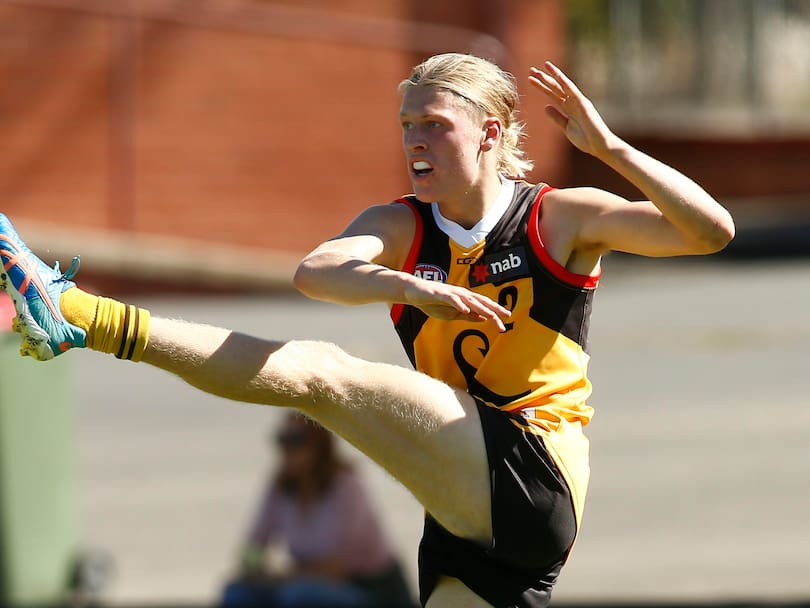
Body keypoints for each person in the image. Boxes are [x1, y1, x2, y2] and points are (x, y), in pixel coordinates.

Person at [0, 53, 734, 608]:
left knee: (322, 375)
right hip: (461, 507)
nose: (415, 141)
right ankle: (71, 317)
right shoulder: (400, 226)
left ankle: (77, 316)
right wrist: (409, 284)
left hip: (532, 472)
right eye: (407, 126)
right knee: (322, 378)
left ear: (490, 132)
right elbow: (316, 272)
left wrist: (612, 151)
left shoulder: (558, 217)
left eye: (434, 126)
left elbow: (710, 233)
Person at [221, 412, 413, 608]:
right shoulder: (280, 489)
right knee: (237, 593)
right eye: (282, 439)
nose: (287, 448)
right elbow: (254, 545)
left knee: (299, 596)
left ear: (319, 444)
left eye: (295, 439)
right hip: (302, 583)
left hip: (368, 590)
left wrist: (288, 575)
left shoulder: (346, 486)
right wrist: (252, 568)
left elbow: (342, 565)